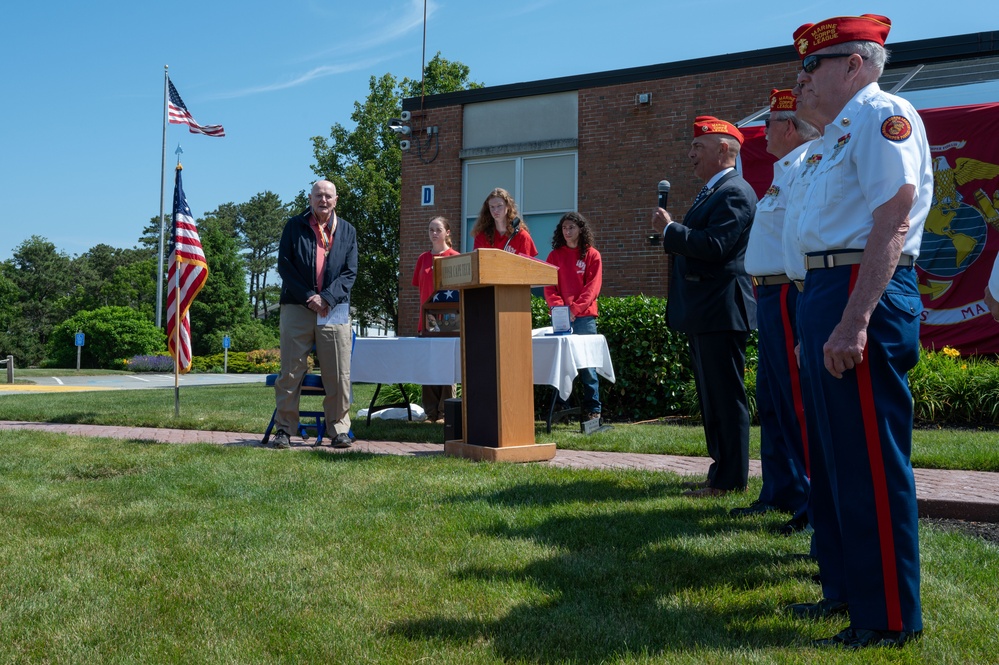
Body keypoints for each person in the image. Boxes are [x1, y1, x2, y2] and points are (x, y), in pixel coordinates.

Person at [781, 14, 932, 649]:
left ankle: (889, 615)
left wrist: (855, 317)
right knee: (835, 458)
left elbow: (893, 218)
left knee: (869, 458)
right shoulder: (828, 139)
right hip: (824, 290)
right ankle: (844, 591)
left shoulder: (881, 114)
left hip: (857, 289)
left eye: (813, 65)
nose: (802, 78)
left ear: (855, 64)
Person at [653, 116, 758, 497]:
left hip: (721, 309)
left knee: (725, 398)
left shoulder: (735, 191)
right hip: (707, 310)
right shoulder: (713, 190)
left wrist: (671, 231)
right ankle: (720, 473)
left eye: (698, 146)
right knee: (712, 398)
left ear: (723, 150)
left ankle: (731, 479)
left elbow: (716, 246)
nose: (690, 154)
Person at [729, 90, 819, 535]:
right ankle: (780, 489)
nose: (761, 134)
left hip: (787, 290)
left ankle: (809, 501)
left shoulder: (805, 167)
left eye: (768, 125)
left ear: (788, 127)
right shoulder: (787, 171)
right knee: (774, 400)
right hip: (769, 293)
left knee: (797, 403)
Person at [272, 179, 358, 450]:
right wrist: (310, 297)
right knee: (290, 371)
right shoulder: (293, 226)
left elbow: (349, 272)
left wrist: (327, 298)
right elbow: (285, 267)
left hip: (334, 310)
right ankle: (284, 430)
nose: (323, 200)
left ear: (336, 200)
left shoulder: (347, 230)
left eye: (328, 196)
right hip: (298, 307)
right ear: (310, 198)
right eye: (318, 195)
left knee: (338, 373)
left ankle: (339, 430)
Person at [543, 211, 604, 420]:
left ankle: (593, 409)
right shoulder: (554, 256)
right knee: (562, 365)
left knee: (587, 365)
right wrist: (560, 309)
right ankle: (562, 407)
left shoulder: (591, 254)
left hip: (585, 318)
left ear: (580, 230)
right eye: (564, 228)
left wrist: (574, 310)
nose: (567, 231)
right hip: (561, 317)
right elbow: (549, 288)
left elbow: (592, 288)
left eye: (571, 227)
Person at [411, 216, 460, 423]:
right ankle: (430, 413)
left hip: (449, 321)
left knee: (446, 367)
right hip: (426, 321)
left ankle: (445, 412)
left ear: (447, 232)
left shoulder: (455, 257)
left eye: (438, 229)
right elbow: (419, 286)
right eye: (431, 229)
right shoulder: (423, 258)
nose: (434, 233)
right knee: (428, 368)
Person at [471, 187, 538, 257]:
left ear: (508, 206)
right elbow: (477, 262)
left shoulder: (521, 236)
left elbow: (527, 265)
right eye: (492, 207)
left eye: (499, 206)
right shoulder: (482, 236)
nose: (495, 210)